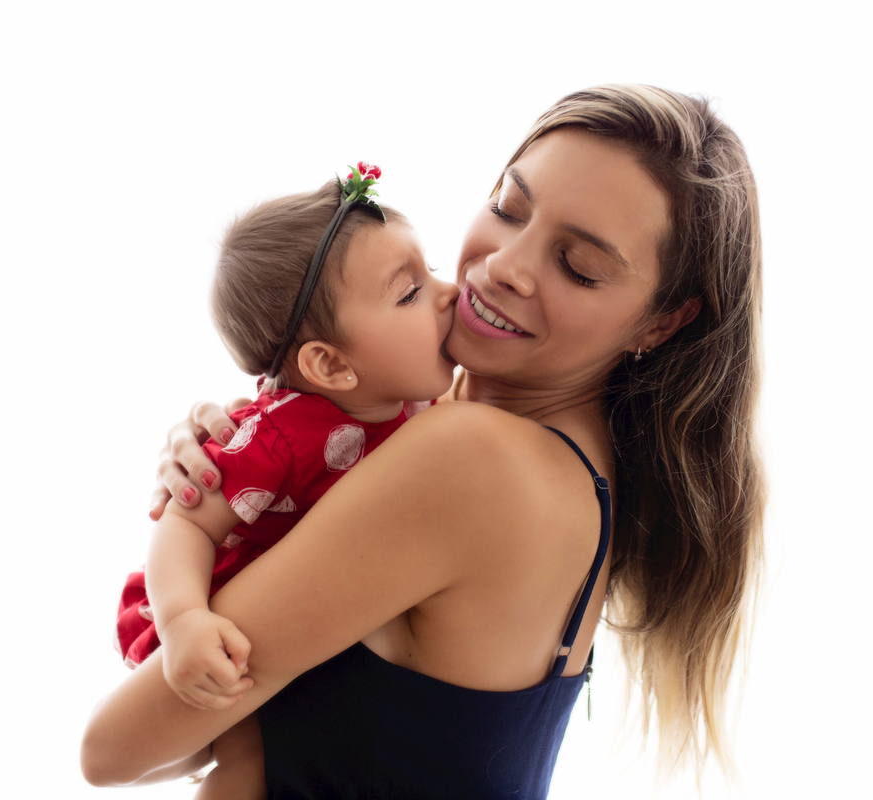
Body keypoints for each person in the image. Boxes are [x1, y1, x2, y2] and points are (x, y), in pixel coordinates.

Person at [82, 84, 766, 798]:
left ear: (662, 324)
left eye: (579, 266)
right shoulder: (571, 466)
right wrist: (246, 441)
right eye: (509, 207)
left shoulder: (471, 459)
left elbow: (112, 752)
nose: (504, 265)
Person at [114, 166, 459, 799]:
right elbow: (185, 520)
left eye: (431, 267)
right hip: (223, 609)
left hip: (318, 621)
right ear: (329, 363)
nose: (448, 292)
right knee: (252, 748)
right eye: (409, 293)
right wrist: (187, 618)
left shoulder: (421, 404)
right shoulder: (278, 435)